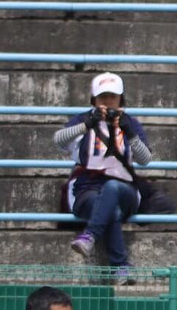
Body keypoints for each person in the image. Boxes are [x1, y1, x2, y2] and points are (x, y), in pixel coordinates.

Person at [55, 72, 153, 280]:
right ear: (94, 100)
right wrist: (87, 124)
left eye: (112, 97)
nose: (108, 102)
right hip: (86, 190)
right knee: (111, 210)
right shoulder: (83, 120)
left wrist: (131, 133)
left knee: (112, 188)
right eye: (103, 97)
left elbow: (145, 159)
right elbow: (59, 141)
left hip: (124, 189)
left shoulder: (130, 123)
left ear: (120, 99)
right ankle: (121, 267)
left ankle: (89, 235)